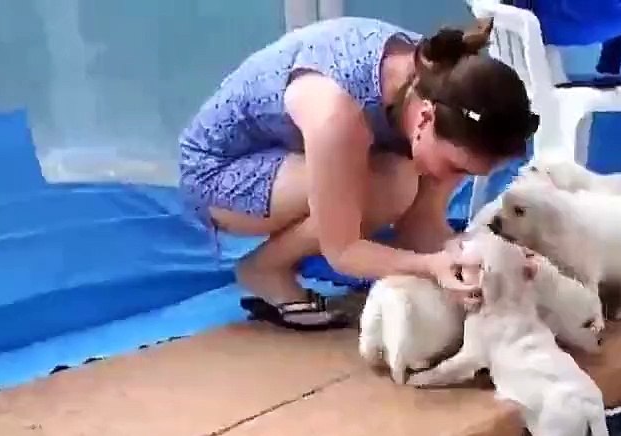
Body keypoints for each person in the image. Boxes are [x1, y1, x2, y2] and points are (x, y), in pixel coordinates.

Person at [178, 16, 539, 330]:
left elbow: (421, 225)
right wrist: (430, 266)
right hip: (219, 171)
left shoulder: (447, 93)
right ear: (425, 118)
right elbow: (343, 250)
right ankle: (265, 270)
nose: (453, 177)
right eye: (456, 167)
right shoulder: (337, 115)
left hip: (298, 151)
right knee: (391, 186)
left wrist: (487, 259)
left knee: (399, 178)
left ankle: (269, 264)